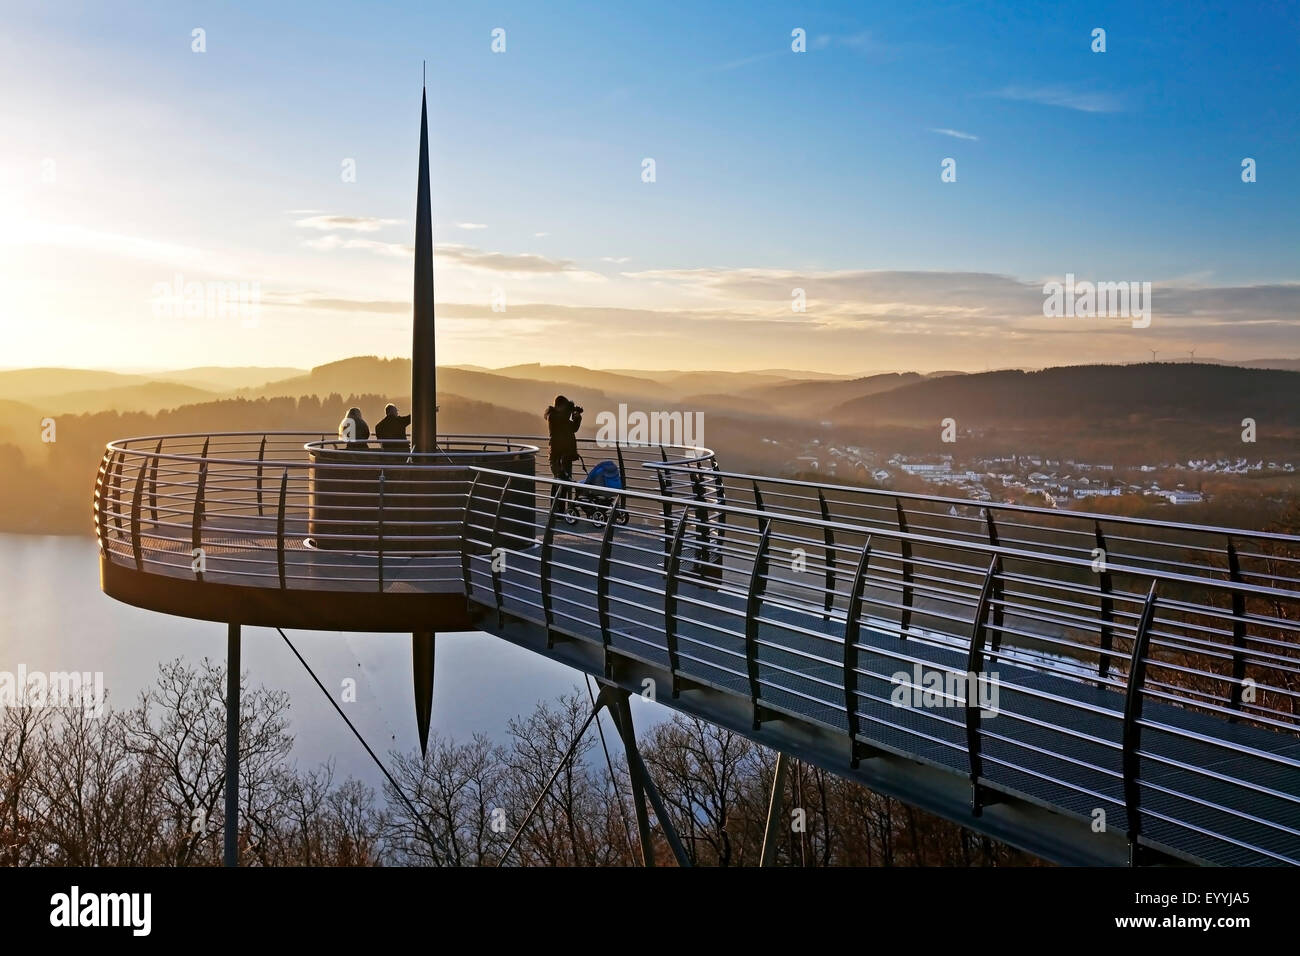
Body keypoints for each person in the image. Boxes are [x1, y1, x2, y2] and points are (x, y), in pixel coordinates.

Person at [544, 395, 583, 502]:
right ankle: (556, 512)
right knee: (559, 482)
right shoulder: (553, 417)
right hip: (557, 457)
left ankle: (560, 512)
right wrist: (571, 409)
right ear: (558, 406)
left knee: (564, 485)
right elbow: (563, 419)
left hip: (566, 456)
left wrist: (577, 416)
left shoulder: (562, 419)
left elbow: (573, 428)